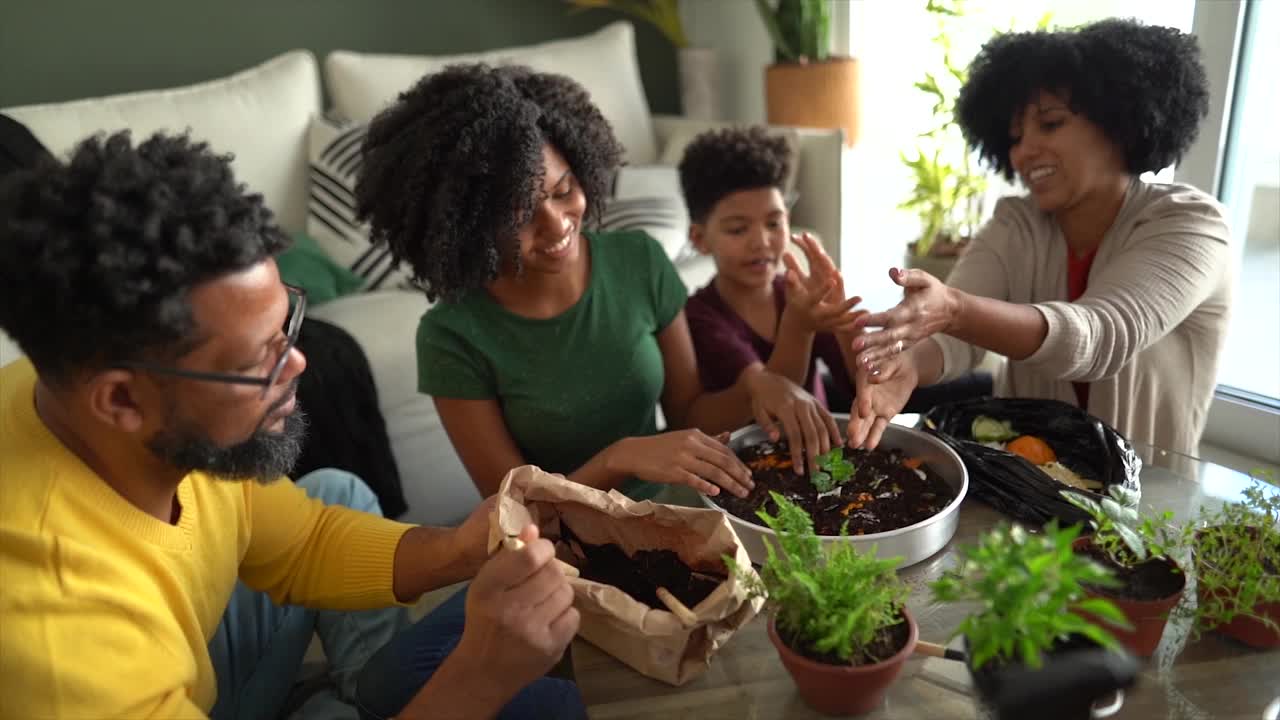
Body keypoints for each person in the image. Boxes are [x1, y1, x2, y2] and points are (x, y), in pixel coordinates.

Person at [0, 131, 582, 720]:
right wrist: (477, 679)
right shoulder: (57, 640)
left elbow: (301, 541)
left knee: (336, 492)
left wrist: (458, 547)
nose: (296, 360)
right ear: (121, 400)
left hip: (181, 654)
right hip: (127, 674)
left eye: (287, 321)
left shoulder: (82, 393)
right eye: (257, 359)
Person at [354, 64, 841, 499]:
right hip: (562, 547)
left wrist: (765, 386)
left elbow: (692, 415)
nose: (557, 225)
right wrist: (618, 459)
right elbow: (512, 508)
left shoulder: (638, 261)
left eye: (564, 190)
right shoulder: (451, 336)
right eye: (519, 216)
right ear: (469, 224)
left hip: (675, 509)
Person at [848, 18, 1231, 455]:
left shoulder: (1192, 225)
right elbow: (953, 339)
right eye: (1014, 137)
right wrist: (909, 364)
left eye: (1049, 124)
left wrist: (953, 308)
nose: (1023, 151)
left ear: (1119, 123)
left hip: (1150, 512)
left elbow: (1100, 336)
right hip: (1025, 495)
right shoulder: (1016, 223)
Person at [677, 126, 865, 412]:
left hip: (824, 455)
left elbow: (859, 389)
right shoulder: (699, 317)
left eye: (774, 223)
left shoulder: (799, 296)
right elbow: (772, 399)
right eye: (738, 229)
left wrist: (846, 326)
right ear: (700, 239)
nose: (761, 242)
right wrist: (799, 328)